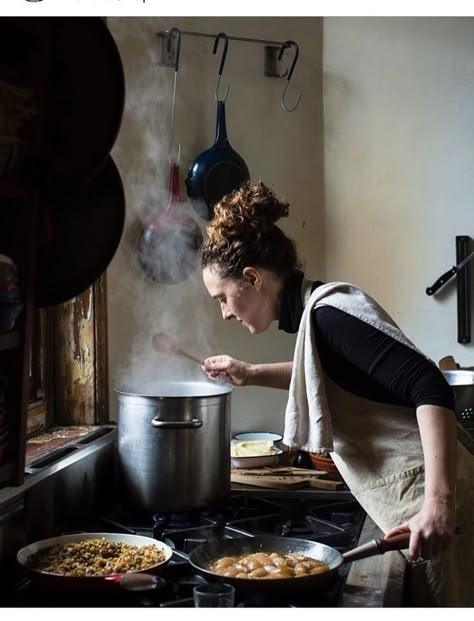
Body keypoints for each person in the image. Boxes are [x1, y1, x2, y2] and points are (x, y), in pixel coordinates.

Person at [200, 180, 473, 607]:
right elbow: (331, 375)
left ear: (251, 278)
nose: (225, 312)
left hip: (436, 504)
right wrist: (249, 372)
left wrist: (439, 502)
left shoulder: (330, 315)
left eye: (222, 298)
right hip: (417, 504)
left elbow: (429, 384)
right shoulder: (319, 315)